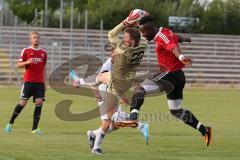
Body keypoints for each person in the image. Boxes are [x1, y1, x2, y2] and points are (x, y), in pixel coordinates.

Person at [125, 15, 212, 146]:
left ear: (150, 28)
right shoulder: (165, 32)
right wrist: (188, 39)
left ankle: (132, 118)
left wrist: (181, 56)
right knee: (175, 111)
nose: (143, 35)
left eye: (143, 32)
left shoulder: (162, 37)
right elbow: (177, 38)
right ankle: (204, 130)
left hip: (169, 74)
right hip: (178, 77)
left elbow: (172, 46)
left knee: (139, 89)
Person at [69, 10, 148, 154]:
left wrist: (126, 22)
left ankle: (96, 136)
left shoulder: (121, 52)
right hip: (115, 85)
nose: (122, 39)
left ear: (129, 42)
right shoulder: (142, 47)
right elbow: (143, 37)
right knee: (109, 121)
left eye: (125, 38)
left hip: (114, 86)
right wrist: (140, 23)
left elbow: (111, 34)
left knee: (113, 122)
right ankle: (98, 144)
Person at [4, 31, 47, 134]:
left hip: (39, 83)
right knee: (22, 103)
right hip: (28, 82)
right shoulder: (26, 51)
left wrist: (45, 83)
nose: (36, 39)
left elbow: (44, 68)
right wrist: (27, 62)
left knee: (39, 103)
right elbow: (18, 65)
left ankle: (34, 129)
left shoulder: (43, 53)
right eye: (34, 37)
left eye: (37, 37)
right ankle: (10, 123)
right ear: (30, 39)